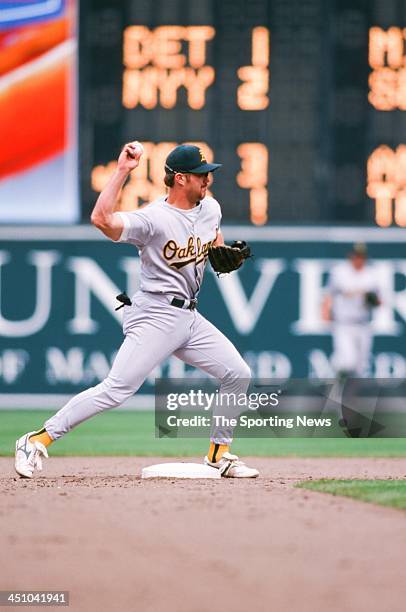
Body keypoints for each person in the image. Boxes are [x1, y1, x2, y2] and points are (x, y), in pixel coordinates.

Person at [15, 142, 259, 479]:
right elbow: (101, 219)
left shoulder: (210, 208)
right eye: (202, 175)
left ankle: (219, 454)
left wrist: (222, 250)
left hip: (189, 316)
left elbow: (213, 236)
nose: (208, 180)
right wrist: (122, 171)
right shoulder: (153, 218)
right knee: (117, 389)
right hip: (155, 313)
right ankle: (36, 439)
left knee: (238, 374)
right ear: (181, 179)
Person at [321, 242, 381, 379]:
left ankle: (352, 398)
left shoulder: (371, 274)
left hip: (363, 324)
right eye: (357, 256)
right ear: (351, 256)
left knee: (361, 367)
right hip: (344, 323)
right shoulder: (340, 272)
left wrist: (373, 300)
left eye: (362, 256)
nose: (359, 259)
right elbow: (329, 294)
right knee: (348, 361)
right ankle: (333, 383)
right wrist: (325, 312)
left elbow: (378, 301)